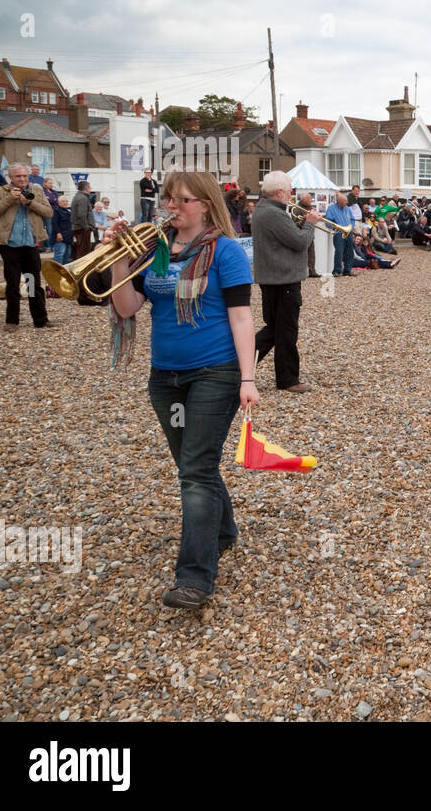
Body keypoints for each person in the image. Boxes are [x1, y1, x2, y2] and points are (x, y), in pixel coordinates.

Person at [103, 169, 257, 610]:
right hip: (165, 377)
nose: (171, 207)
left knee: (194, 470)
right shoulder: (154, 251)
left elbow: (242, 317)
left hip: (215, 373)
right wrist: (118, 255)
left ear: (205, 204)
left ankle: (194, 577)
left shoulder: (226, 252)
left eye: (181, 200)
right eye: (168, 199)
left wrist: (248, 379)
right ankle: (223, 530)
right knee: (195, 465)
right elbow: (128, 304)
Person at [252, 171, 321, 394]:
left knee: (274, 330)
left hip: (273, 278)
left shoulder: (265, 210)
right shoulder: (274, 213)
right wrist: (310, 224)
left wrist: (300, 223)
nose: (291, 195)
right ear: (280, 192)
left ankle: (236, 366)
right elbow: (301, 242)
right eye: (289, 190)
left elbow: (286, 238)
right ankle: (288, 379)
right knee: (286, 331)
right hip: (283, 280)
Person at [0, 164, 53, 329]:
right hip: (9, 245)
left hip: (30, 244)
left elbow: (48, 212)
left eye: (25, 175)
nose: (22, 179)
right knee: (12, 284)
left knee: (33, 283)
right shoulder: (0, 191)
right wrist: (10, 198)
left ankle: (40, 320)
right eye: (18, 176)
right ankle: (12, 321)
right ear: (11, 177)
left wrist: (30, 203)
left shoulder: (36, 190)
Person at [324, 192, 353, 276]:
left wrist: (351, 227)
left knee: (350, 252)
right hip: (338, 233)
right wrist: (334, 228)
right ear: (339, 202)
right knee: (339, 252)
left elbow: (352, 220)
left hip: (349, 233)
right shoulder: (331, 208)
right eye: (345, 201)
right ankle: (337, 270)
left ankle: (347, 270)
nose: (347, 203)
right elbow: (328, 221)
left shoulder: (347, 209)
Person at [51, 195, 73, 266]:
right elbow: (54, 223)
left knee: (67, 256)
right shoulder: (56, 211)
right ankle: (55, 272)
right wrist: (58, 233)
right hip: (60, 237)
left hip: (68, 237)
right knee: (59, 255)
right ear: (59, 202)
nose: (65, 203)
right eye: (63, 201)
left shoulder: (69, 211)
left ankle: (63, 273)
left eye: (66, 201)